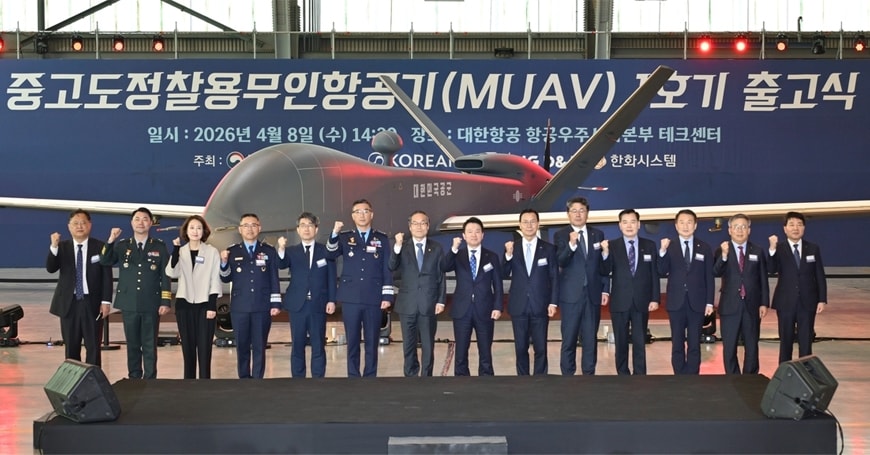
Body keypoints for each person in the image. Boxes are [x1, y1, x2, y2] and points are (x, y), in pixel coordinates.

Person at [100, 207, 171, 379]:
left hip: (151, 302)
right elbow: (105, 260)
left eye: (145, 219)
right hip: (129, 301)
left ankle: (150, 378)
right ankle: (134, 377)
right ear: (131, 223)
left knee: (149, 344)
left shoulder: (159, 246)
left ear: (151, 223)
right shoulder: (123, 245)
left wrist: (165, 301)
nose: (141, 222)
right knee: (132, 344)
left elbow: (165, 275)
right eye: (137, 219)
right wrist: (110, 241)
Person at [326, 199, 394, 377]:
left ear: (372, 214)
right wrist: (334, 233)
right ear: (352, 216)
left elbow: (387, 268)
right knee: (353, 341)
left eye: (365, 211)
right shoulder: (344, 237)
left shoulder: (381, 238)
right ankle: (353, 376)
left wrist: (387, 296)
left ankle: (370, 376)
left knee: (372, 341)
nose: (362, 215)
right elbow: (330, 254)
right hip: (351, 297)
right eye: (358, 212)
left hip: (373, 297)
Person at [46, 209, 113, 366]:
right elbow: (51, 268)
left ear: (90, 225)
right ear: (69, 227)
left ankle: (93, 379)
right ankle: (73, 379)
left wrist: (106, 301)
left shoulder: (100, 247)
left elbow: (107, 276)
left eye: (83, 223)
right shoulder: (62, 247)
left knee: (94, 346)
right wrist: (53, 246)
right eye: (75, 223)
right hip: (69, 304)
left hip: (92, 303)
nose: (79, 226)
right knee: (71, 347)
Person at [219, 213, 281, 379]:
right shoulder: (232, 251)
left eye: (253, 225)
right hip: (240, 307)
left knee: (260, 346)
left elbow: (274, 278)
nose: (250, 229)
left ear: (259, 228)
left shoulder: (268, 250)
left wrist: (275, 304)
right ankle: (244, 380)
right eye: (245, 225)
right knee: (242, 346)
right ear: (240, 229)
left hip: (262, 306)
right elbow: (225, 278)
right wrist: (223, 263)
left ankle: (257, 380)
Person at [553, 197, 610, 376]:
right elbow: (560, 261)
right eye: (574, 211)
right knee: (569, 339)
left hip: (592, 295)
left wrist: (605, 289)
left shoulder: (597, 234)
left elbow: (602, 266)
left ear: (587, 213)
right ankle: (567, 376)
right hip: (571, 295)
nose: (578, 214)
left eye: (582, 210)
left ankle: (589, 376)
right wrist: (571, 245)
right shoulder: (561, 235)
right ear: (568, 214)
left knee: (590, 339)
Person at [599, 209, 660, 375]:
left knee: (640, 341)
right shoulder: (612, 246)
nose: (629, 226)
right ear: (620, 225)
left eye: (633, 222)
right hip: (620, 301)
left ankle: (640, 375)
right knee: (621, 342)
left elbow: (654, 274)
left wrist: (655, 298)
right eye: (625, 222)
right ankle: (623, 374)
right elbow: (604, 270)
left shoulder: (649, 245)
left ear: (638, 224)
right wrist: (605, 253)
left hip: (642, 301)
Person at [276, 212, 337, 378]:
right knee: (297, 344)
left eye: (310, 225)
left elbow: (331, 277)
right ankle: (298, 379)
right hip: (298, 305)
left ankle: (318, 379)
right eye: (303, 225)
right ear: (298, 229)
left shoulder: (326, 251)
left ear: (316, 229)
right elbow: (281, 264)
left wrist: (332, 300)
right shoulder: (291, 251)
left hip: (318, 304)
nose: (306, 229)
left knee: (318, 344)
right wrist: (281, 248)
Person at [389, 210, 447, 377]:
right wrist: (397, 247)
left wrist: (441, 300)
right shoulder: (402, 246)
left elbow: (441, 276)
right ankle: (410, 377)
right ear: (410, 226)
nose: (419, 226)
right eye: (415, 223)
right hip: (407, 304)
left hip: (428, 303)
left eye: (423, 223)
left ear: (428, 226)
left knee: (428, 345)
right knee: (408, 345)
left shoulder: (436, 248)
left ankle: (426, 378)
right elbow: (391, 266)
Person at [443, 217, 503, 376]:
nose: (474, 235)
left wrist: (497, 306)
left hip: (485, 310)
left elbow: (497, 284)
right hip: (462, 310)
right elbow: (444, 266)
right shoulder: (457, 255)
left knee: (485, 352)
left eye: (477, 231)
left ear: (483, 235)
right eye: (469, 232)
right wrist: (453, 249)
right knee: (461, 353)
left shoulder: (492, 256)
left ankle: (486, 380)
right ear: (464, 235)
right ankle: (462, 382)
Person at [657, 209, 714, 375]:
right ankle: (679, 376)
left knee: (694, 343)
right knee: (677, 342)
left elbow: (709, 277)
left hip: (697, 303)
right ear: (676, 226)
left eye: (689, 222)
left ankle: (693, 376)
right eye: (681, 222)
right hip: (676, 302)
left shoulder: (704, 247)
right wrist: (662, 252)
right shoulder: (670, 246)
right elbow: (661, 270)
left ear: (695, 225)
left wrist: (709, 302)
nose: (685, 226)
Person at [165, 215, 222, 379]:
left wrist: (212, 305)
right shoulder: (181, 251)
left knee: (205, 347)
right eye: (192, 228)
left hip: (205, 304)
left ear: (204, 231)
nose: (195, 231)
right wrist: (175, 251)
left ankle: (205, 382)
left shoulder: (211, 252)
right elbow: (171, 272)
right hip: (184, 304)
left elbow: (215, 279)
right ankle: (188, 383)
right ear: (186, 231)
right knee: (187, 347)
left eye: (199, 228)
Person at [502, 209, 558, 375]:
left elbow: (555, 277)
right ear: (519, 225)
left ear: (538, 224)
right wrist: (508, 255)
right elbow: (503, 273)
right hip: (518, 305)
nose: (529, 225)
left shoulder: (548, 249)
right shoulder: (512, 248)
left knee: (541, 348)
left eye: (532, 221)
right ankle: (523, 381)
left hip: (540, 305)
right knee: (520, 348)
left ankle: (540, 379)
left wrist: (553, 302)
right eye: (525, 222)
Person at [766, 211, 827, 364]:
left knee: (806, 343)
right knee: (785, 342)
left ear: (804, 228)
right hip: (785, 302)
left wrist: (822, 299)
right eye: (791, 224)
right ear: (785, 228)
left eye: (799, 225)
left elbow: (819, 274)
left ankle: (806, 374)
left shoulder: (813, 248)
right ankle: (784, 374)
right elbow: (771, 269)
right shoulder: (779, 248)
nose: (795, 228)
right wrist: (772, 249)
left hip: (808, 302)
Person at [713, 213, 769, 375]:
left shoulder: (757, 250)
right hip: (730, 306)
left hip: (752, 306)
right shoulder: (722, 249)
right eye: (736, 227)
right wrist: (724, 256)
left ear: (749, 230)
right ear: (729, 230)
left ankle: (750, 379)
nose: (740, 230)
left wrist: (764, 303)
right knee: (729, 346)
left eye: (743, 227)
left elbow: (763, 279)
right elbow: (715, 271)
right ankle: (733, 378)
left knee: (752, 346)